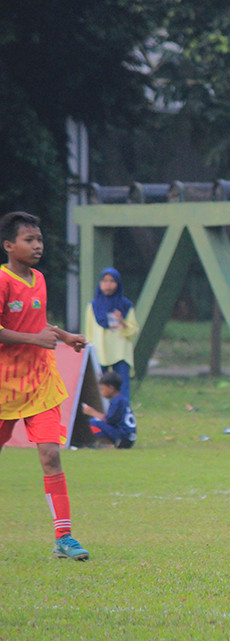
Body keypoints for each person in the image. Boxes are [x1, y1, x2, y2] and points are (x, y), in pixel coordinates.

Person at [0, 211, 89, 561]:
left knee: (51, 455)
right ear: (9, 246)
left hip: (41, 383)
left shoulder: (38, 278)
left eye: (39, 239)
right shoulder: (3, 281)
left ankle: (64, 538)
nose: (38, 246)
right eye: (29, 240)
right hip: (5, 386)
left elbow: (38, 322)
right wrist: (35, 339)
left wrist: (66, 337)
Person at [84, 267, 140, 401]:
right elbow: (89, 332)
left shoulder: (125, 305)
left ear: (118, 284)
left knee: (122, 386)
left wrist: (122, 321)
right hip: (100, 351)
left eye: (112, 281)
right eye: (104, 281)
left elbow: (133, 331)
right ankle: (103, 415)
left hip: (120, 352)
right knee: (99, 386)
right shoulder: (93, 306)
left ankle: (123, 415)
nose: (108, 284)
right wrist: (89, 351)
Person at [82, 371, 137, 449]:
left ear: (111, 388)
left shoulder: (116, 401)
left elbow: (109, 420)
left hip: (123, 438)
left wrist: (92, 412)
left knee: (94, 422)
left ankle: (108, 444)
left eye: (102, 389)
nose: (101, 392)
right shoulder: (122, 399)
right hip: (130, 438)